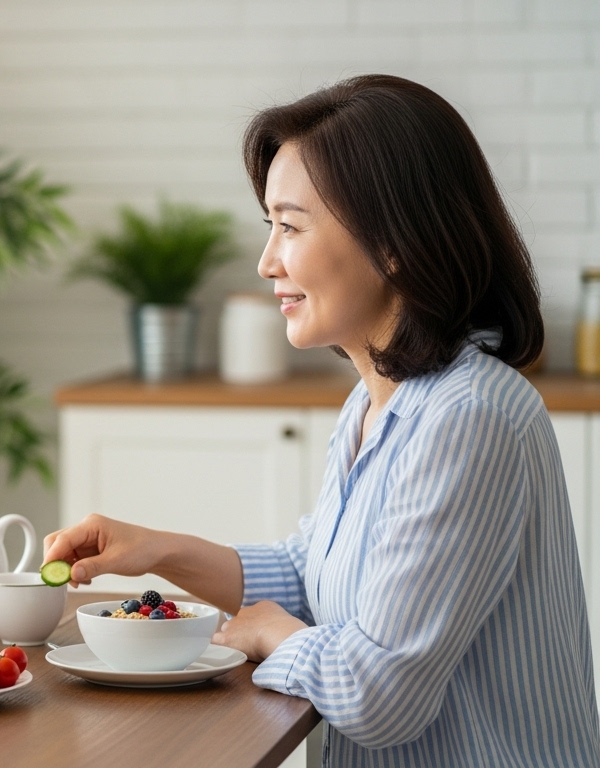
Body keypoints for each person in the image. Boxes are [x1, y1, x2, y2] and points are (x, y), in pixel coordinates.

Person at [44, 75, 600, 766]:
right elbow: (314, 577)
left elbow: (380, 694)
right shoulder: (379, 400)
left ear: (393, 242)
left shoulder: (469, 418)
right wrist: (157, 551)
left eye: (290, 226)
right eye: (270, 226)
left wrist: (274, 635)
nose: (266, 261)